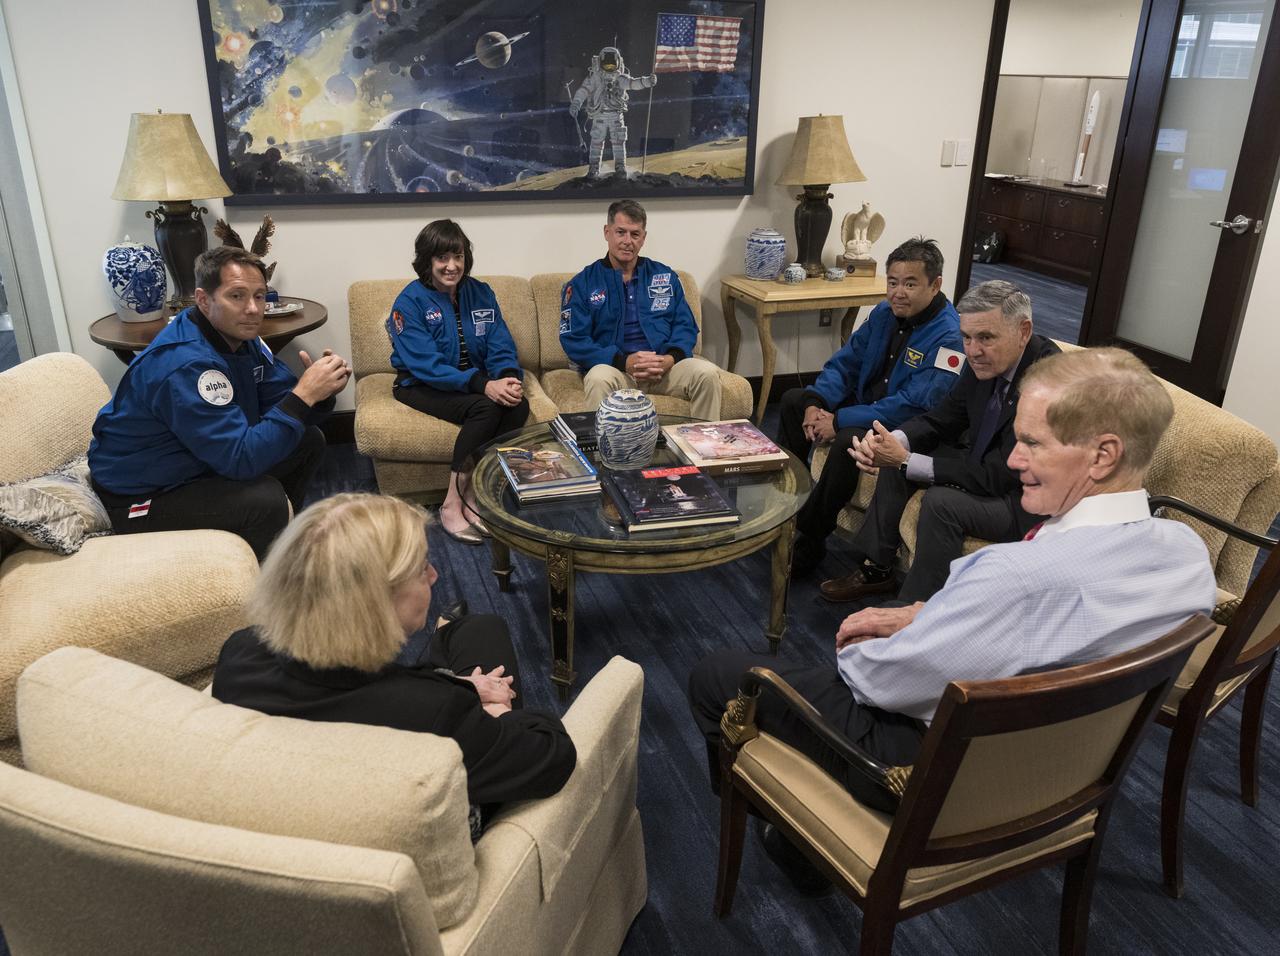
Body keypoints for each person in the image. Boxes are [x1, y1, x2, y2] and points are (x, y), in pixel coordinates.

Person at [689, 347, 1215, 889]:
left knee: (719, 676)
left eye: (1031, 443)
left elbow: (878, 681)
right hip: (1060, 775)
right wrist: (927, 613)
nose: (1013, 460)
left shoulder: (1010, 575)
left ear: (1103, 456)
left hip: (931, 779)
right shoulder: (1186, 556)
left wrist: (899, 633)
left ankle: (798, 835)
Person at [212, 493, 576, 828]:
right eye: (421, 568)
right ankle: (444, 640)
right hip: (455, 818)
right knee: (483, 634)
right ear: (374, 601)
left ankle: (443, 638)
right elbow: (553, 756)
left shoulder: (241, 654)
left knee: (475, 628)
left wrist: (460, 686)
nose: (435, 575)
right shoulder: (434, 713)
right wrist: (495, 714)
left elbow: (357, 695)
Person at [89, 245, 349, 560]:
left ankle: (279, 544)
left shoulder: (243, 338)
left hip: (195, 462)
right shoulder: (185, 364)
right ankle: (266, 572)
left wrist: (321, 392)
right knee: (265, 501)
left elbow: (280, 403)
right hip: (141, 494)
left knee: (307, 441)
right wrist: (304, 394)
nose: (253, 309)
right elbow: (241, 459)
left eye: (259, 296)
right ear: (203, 299)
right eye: (237, 296)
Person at [819, 280, 1061, 603]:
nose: (973, 350)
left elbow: (998, 475)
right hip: (982, 460)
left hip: (1022, 497)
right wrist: (894, 441)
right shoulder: (983, 360)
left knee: (941, 503)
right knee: (900, 451)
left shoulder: (1048, 379)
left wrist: (906, 461)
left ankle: (918, 609)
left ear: (1023, 331)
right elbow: (944, 416)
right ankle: (877, 569)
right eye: (967, 337)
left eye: (986, 337)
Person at [780, 237, 965, 576]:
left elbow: (914, 405)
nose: (898, 293)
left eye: (910, 284)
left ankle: (811, 537)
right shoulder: (883, 312)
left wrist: (838, 421)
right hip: (867, 404)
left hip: (903, 426)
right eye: (893, 282)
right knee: (793, 400)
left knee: (849, 439)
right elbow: (847, 364)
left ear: (935, 284)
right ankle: (783, 507)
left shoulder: (950, 337)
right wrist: (816, 403)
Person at [389, 219, 529, 544]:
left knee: (516, 405)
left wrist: (507, 377)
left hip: (473, 380)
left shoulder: (480, 292)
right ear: (427, 260)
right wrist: (482, 384)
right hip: (420, 384)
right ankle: (452, 501)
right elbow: (426, 365)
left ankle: (476, 493)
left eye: (459, 256)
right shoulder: (408, 303)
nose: (452, 266)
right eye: (442, 258)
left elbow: (500, 341)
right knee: (485, 409)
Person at [560, 199, 722, 420]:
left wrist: (669, 359)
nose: (628, 241)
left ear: (643, 238)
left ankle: (703, 447)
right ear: (607, 233)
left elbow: (686, 325)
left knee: (708, 373)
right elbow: (574, 340)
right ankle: (600, 453)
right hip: (616, 370)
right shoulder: (582, 283)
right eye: (621, 232)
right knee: (598, 379)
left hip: (663, 369)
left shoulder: (663, 276)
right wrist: (623, 361)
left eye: (635, 234)